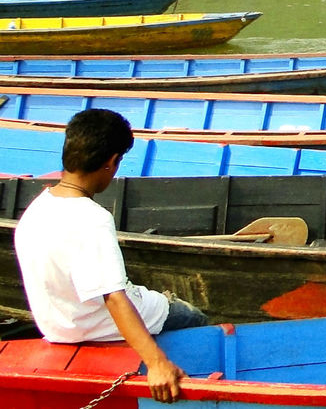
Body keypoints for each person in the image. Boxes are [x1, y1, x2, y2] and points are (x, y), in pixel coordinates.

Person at [14, 109, 209, 404]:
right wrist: (157, 363)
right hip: (106, 324)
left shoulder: (36, 209)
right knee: (196, 320)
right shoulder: (93, 219)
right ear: (111, 162)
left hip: (59, 329)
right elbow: (114, 299)